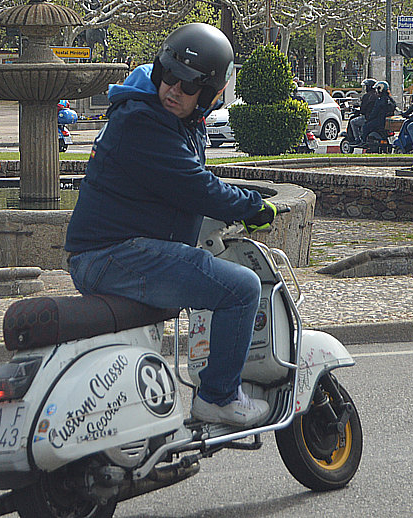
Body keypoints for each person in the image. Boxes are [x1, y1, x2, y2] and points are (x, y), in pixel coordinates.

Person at [64, 22, 278, 427]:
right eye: (170, 77)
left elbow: (181, 184)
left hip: (116, 251)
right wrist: (251, 207)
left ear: (209, 94)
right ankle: (217, 398)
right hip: (112, 255)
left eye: (189, 85)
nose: (174, 90)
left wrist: (227, 203)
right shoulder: (143, 121)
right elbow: (195, 186)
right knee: (242, 288)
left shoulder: (163, 118)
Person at [348, 78, 376, 144]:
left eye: (366, 86)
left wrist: (359, 110)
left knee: (353, 122)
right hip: (374, 118)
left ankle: (357, 139)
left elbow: (362, 110)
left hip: (367, 118)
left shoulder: (367, 96)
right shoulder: (377, 95)